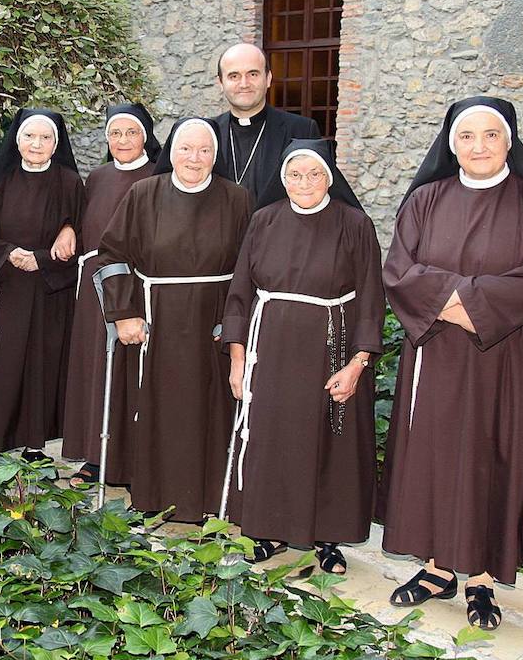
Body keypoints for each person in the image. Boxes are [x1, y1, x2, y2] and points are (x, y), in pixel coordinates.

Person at [379, 96, 523, 630]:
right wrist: (465, 305)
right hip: (438, 351)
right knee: (436, 454)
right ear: (450, 143)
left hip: (508, 352)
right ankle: (438, 567)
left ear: (509, 140)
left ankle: (483, 577)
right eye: (467, 136)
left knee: (494, 451)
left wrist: (465, 305)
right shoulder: (425, 199)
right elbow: (399, 269)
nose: (478, 146)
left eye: (490, 135)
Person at [221, 139, 384, 565]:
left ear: (330, 177)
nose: (304, 183)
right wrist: (238, 360)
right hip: (269, 348)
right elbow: (240, 292)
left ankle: (328, 536)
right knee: (272, 440)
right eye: (295, 174)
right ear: (282, 178)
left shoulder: (354, 224)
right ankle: (268, 527)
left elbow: (371, 297)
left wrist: (357, 363)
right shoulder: (264, 220)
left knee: (331, 441)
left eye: (314, 174)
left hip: (333, 345)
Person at [96, 117, 250, 522]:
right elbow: (111, 255)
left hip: (212, 320)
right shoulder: (143, 194)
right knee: (158, 409)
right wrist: (125, 313)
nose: (194, 159)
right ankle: (152, 496)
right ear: (172, 152)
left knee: (209, 410)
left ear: (216, 157)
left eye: (204, 151)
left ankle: (207, 501)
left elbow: (250, 267)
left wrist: (236, 325)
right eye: (185, 149)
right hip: (155, 319)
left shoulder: (237, 199)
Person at [0, 109, 84, 459]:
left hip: (49, 290)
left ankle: (35, 444)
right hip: (6, 286)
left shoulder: (70, 183)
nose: (37, 144)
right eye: (29, 136)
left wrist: (45, 256)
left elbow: (82, 233)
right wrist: (9, 252)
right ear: (17, 141)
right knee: (3, 362)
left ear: (56, 144)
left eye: (45, 138)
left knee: (42, 365)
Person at [60, 103, 161, 488]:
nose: (122, 141)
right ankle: (96, 456)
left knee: (131, 373)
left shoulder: (156, 176)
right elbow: (81, 221)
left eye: (131, 133)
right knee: (96, 371)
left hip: (135, 285)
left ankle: (132, 459)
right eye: (115, 133)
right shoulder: (97, 177)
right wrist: (67, 228)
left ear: (145, 136)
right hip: (93, 286)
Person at [212, 42, 320, 198]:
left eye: (253, 74)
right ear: (221, 83)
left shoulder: (301, 130)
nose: (244, 84)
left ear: (268, 79)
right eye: (234, 76)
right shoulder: (208, 132)